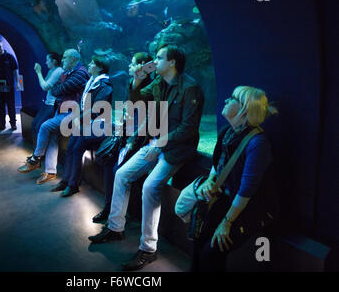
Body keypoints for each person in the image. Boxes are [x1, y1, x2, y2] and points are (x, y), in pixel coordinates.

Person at [89, 44, 205, 271]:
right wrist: (138, 78)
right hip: (156, 143)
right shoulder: (159, 83)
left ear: (172, 62)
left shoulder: (191, 88)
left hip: (176, 149)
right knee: (122, 174)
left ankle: (148, 249)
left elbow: (188, 129)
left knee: (150, 187)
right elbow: (136, 102)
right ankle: (115, 228)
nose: (154, 61)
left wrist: (159, 143)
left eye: (160, 57)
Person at [190, 86, 277, 272]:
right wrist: (210, 180)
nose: (225, 101)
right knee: (198, 241)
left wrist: (226, 223)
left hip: (249, 209)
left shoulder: (258, 144)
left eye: (232, 99)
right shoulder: (226, 132)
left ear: (245, 109)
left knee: (210, 253)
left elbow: (246, 190)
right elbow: (218, 164)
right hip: (227, 199)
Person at [92, 52, 154, 222]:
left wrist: (132, 137)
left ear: (142, 65)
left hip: (138, 138)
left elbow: (147, 116)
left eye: (132, 63)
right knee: (108, 161)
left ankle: (117, 213)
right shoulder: (133, 83)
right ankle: (108, 206)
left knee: (117, 170)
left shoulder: (152, 86)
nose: (129, 66)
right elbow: (129, 107)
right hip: (126, 133)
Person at [17, 49, 89, 185]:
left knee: (44, 126)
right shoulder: (68, 73)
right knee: (52, 136)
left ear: (73, 59)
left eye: (65, 58)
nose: (62, 60)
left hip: (73, 113)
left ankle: (35, 159)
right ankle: (50, 171)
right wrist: (59, 87)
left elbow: (58, 90)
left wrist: (58, 87)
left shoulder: (80, 74)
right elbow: (56, 90)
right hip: (62, 109)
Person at [55, 55, 112, 197]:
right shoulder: (91, 82)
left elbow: (97, 110)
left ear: (100, 68)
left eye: (93, 63)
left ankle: (73, 184)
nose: (90, 64)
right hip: (84, 123)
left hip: (95, 126)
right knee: (70, 148)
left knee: (76, 148)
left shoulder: (105, 85)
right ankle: (66, 180)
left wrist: (78, 119)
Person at [31, 53, 65, 144]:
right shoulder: (52, 71)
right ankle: (36, 151)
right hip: (47, 103)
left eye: (47, 60)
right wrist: (40, 73)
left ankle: (40, 153)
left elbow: (45, 87)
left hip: (52, 104)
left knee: (39, 126)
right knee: (34, 123)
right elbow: (44, 84)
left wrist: (39, 72)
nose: (46, 62)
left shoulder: (58, 71)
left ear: (54, 61)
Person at [0, 39, 20, 131]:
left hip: (9, 85)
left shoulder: (10, 57)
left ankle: (13, 124)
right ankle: (1, 124)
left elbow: (15, 70)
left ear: (3, 45)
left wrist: (18, 82)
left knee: (11, 105)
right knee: (0, 105)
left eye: (0, 46)